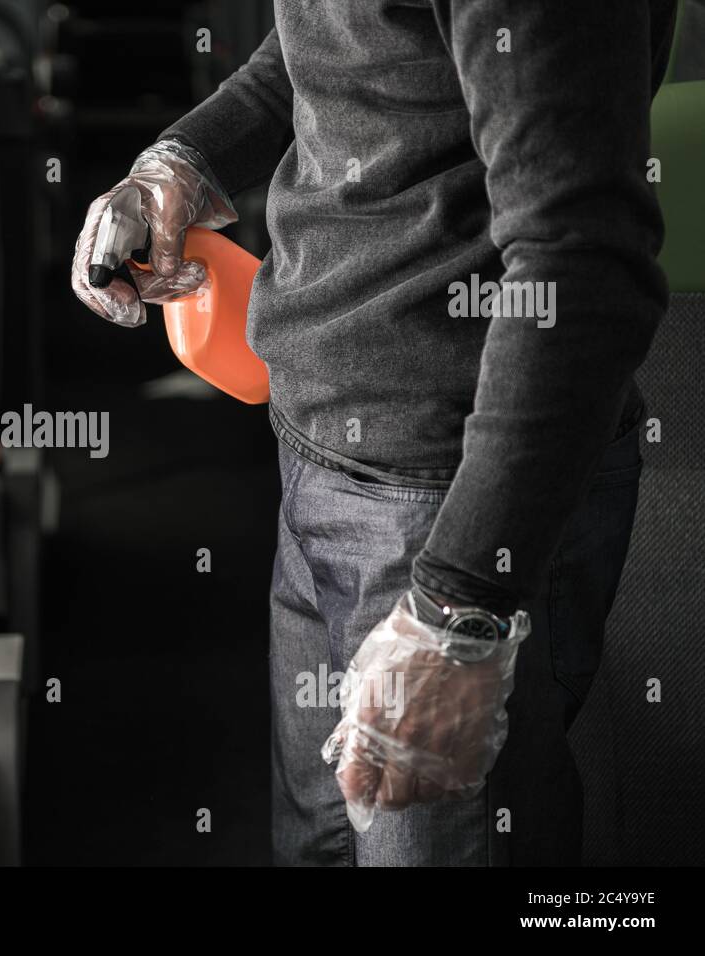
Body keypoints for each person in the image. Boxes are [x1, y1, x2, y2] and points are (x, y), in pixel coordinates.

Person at [71, 1, 678, 866]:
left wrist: (459, 610)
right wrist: (188, 159)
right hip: (321, 453)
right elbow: (338, 37)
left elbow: (583, 268)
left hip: (443, 497)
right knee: (321, 846)